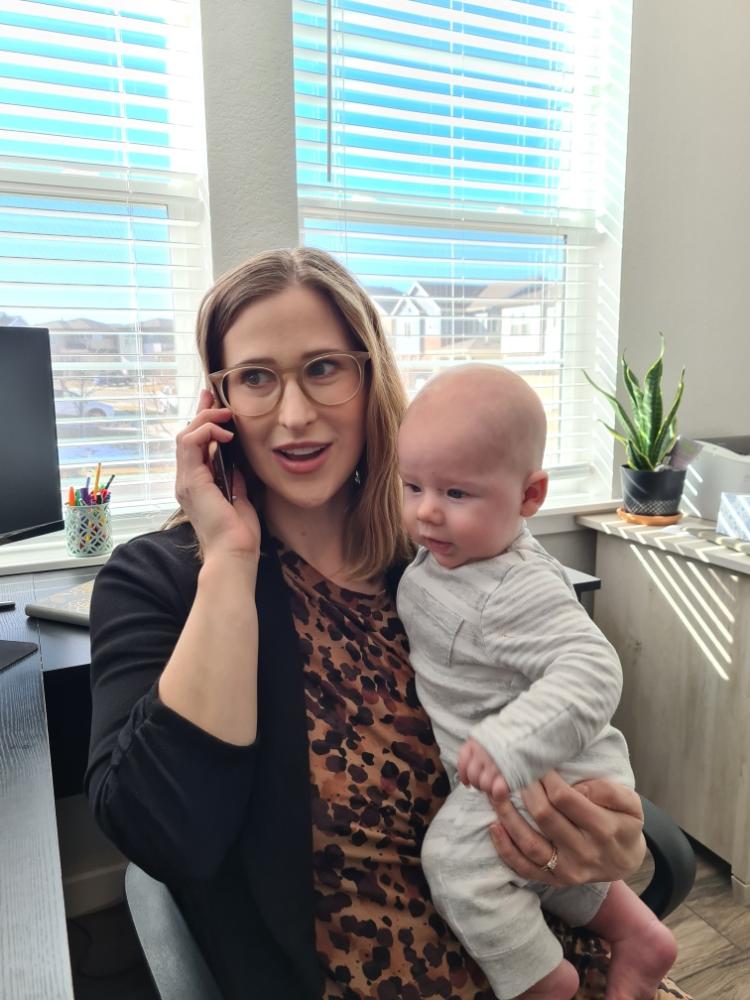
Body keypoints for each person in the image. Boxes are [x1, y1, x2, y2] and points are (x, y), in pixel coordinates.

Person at [85, 247, 690, 1000]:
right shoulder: (163, 582)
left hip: (551, 957)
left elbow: (572, 724)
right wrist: (231, 561)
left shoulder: (450, 554)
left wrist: (610, 840)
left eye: (324, 368)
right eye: (255, 378)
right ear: (219, 402)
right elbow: (165, 836)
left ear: (370, 378)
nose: (295, 413)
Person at [395, 366, 677, 1000]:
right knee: (522, 860)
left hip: (545, 764)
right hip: (521, 766)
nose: (426, 512)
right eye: (412, 486)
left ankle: (543, 984)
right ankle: (642, 936)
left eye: (457, 494)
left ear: (530, 497)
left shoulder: (514, 584)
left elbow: (594, 668)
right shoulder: (453, 552)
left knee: (459, 864)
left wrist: (509, 742)